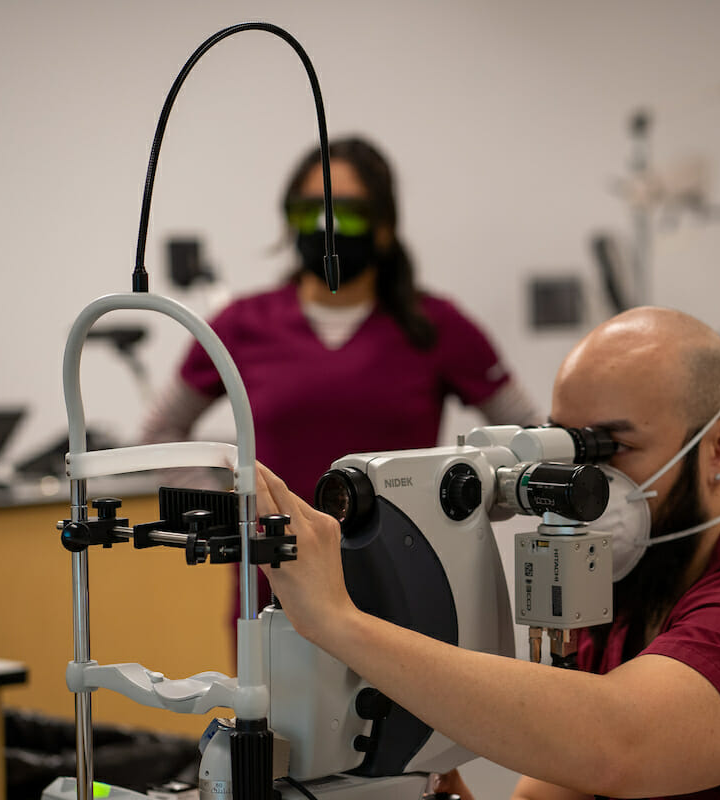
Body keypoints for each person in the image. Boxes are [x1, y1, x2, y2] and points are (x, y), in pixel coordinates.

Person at [255, 305, 720, 799]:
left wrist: (338, 621)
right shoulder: (627, 589)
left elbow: (618, 745)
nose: (582, 484)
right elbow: (562, 784)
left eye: (612, 448)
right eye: (565, 445)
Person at [141, 136, 540, 623]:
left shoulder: (437, 325)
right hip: (276, 591)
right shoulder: (241, 324)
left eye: (346, 214)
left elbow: (531, 438)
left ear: (384, 227)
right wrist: (233, 513)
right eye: (308, 213)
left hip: (410, 585)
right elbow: (160, 433)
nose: (325, 228)